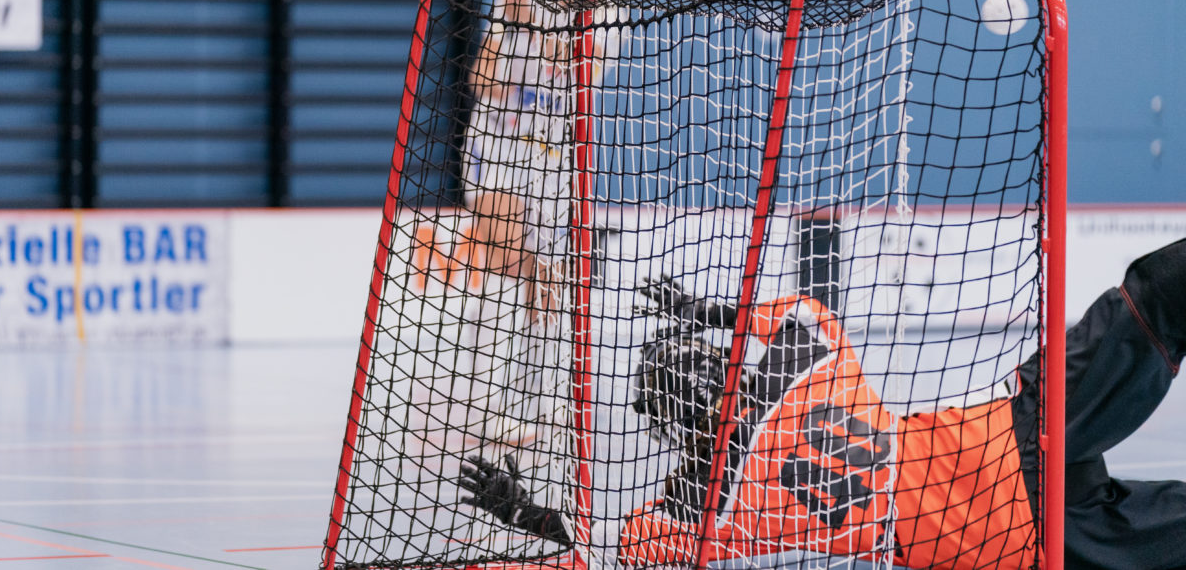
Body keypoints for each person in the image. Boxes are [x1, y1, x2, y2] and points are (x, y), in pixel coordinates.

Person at [457, 238, 1186, 570]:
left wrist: (523, 512)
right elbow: (799, 310)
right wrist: (707, 309)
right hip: (1011, 455)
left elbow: (606, 546)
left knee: (1155, 296)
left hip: (1003, 518)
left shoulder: (711, 511)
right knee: (1153, 296)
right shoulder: (793, 370)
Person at [456, 0, 619, 445]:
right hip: (497, 147)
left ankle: (532, 397)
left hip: (553, 161)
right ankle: (485, 398)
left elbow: (582, 78)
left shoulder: (612, 12)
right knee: (504, 256)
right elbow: (481, 81)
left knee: (546, 282)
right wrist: (512, 33)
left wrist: (538, 36)